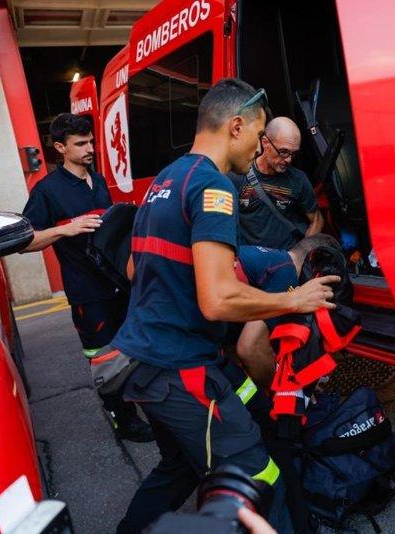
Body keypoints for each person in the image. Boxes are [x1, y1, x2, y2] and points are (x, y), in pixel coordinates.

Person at [110, 79, 339, 533]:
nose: (258, 150)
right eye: (258, 137)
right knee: (255, 475)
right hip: (180, 369)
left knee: (179, 470)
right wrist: (292, 300)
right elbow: (216, 300)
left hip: (143, 361)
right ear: (236, 127)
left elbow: (137, 271)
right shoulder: (215, 187)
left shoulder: (166, 179)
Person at [21, 113, 152, 443]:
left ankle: (147, 404)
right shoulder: (47, 191)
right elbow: (25, 241)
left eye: (91, 141)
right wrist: (65, 228)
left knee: (132, 347)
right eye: (81, 144)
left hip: (119, 283)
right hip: (87, 292)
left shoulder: (99, 179)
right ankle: (123, 418)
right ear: (61, 148)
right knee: (102, 356)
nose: (91, 147)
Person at [234, 234, 342, 387]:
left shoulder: (274, 260)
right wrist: (283, 389)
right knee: (254, 399)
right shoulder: (286, 275)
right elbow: (249, 348)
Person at [229, 117, 323, 250]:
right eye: (283, 152)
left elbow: (317, 220)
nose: (288, 160)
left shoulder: (298, 179)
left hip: (285, 260)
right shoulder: (238, 176)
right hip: (251, 262)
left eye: (293, 154)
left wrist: (300, 255)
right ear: (265, 143)